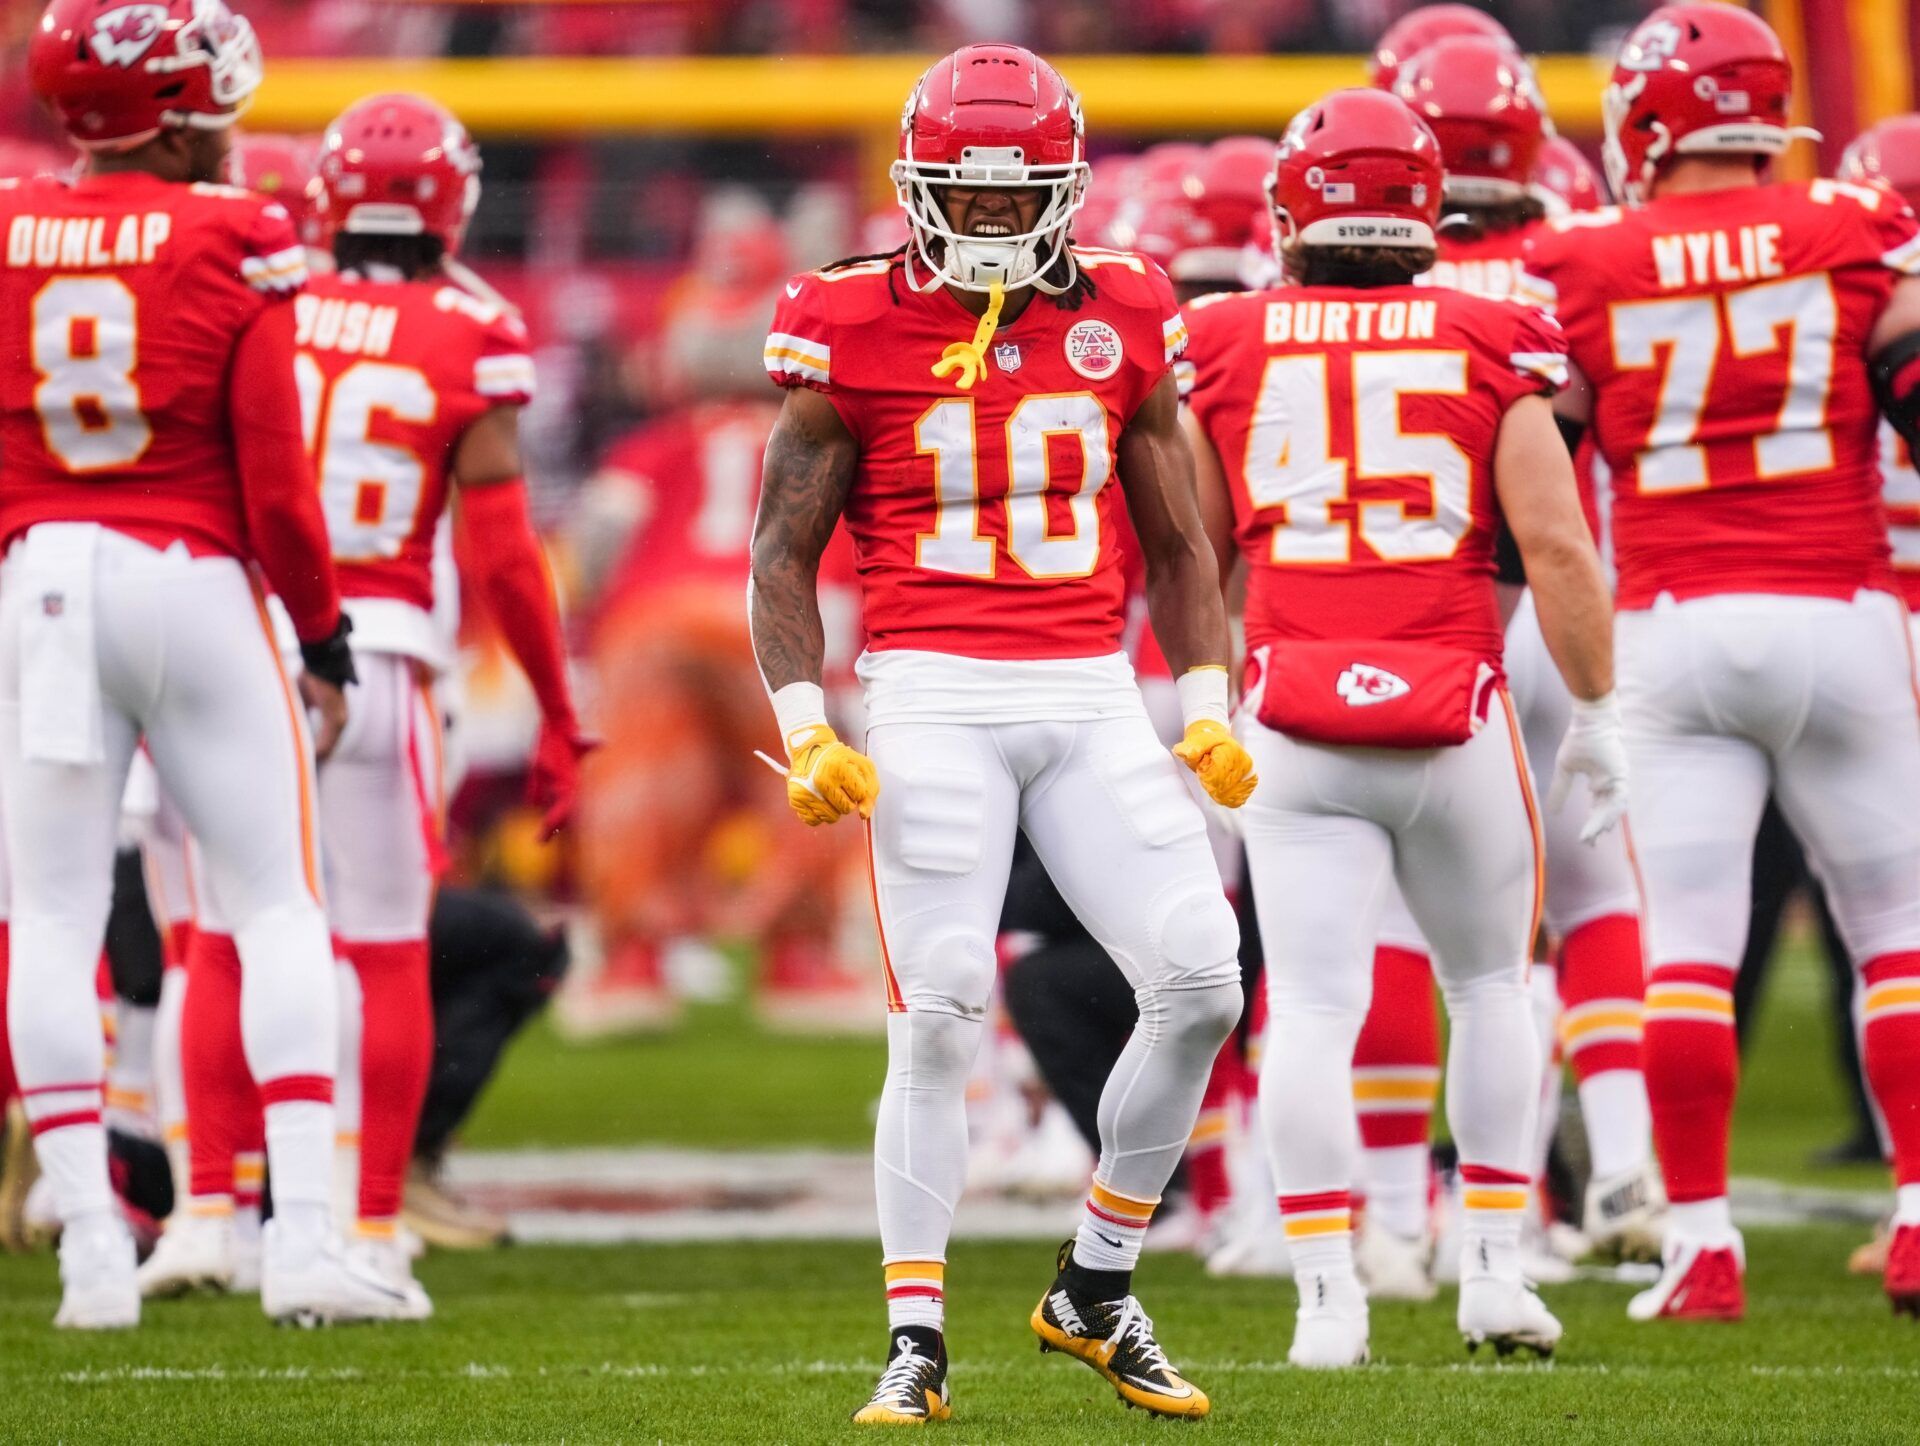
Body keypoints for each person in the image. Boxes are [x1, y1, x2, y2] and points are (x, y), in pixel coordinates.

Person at [750, 43, 1254, 1424]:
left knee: (1205, 977)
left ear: (1066, 188)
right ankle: (915, 1333)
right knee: (944, 1002)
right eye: (962, 198)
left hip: (1089, 687)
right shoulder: (845, 319)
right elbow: (780, 554)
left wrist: (1204, 707)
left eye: (1014, 195)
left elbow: (1178, 539)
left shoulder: (1133, 308)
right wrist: (807, 724)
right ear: (917, 190)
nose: (987, 220)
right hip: (928, 689)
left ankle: (1095, 1284)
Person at [1184, 87, 1622, 1368]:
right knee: (1492, 985)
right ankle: (1490, 1268)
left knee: (1312, 1005)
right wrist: (1595, 712)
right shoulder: (1496, 331)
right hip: (1455, 707)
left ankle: (1328, 1302)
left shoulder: (1225, 336)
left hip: (1292, 708)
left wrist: (1204, 704)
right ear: (1424, 207)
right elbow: (1556, 545)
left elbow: (1194, 558)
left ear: (1289, 209)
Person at [139, 92, 592, 1314]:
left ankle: (204, 1214)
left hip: (238, 637)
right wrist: (556, 707)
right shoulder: (471, 329)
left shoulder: (263, 292)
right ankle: (372, 1228)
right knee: (382, 949)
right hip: (379, 652)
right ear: (452, 201)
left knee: (224, 937)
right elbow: (501, 557)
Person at [1, 0, 402, 1327]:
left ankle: (92, 1261)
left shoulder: (7, 223)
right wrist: (325, 631)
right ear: (169, 115)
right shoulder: (235, 230)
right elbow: (276, 475)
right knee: (275, 904)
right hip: (186, 577)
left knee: (50, 919)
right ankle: (304, 1248)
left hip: (36, 579)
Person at [1519, 2, 1920, 1320]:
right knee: (1900, 941)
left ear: (1649, 119)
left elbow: (1542, 459)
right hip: (1843, 607)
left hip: (1677, 628)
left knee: (1685, 949)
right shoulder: (1856, 224)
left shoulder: (1584, 256)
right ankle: (1918, 1219)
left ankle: (1701, 1246)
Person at [1396, 32, 1663, 1264]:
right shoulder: (1577, 257)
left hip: (1430, 617)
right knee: (1596, 892)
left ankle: (1423, 1210)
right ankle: (1615, 1169)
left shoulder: (1373, 276)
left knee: (1435, 926)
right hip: (1569, 611)